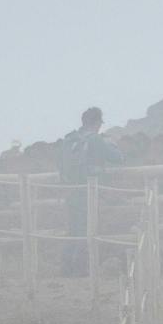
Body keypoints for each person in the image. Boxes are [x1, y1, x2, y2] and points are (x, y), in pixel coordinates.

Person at [59, 107, 123, 275]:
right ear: (96, 123)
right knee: (86, 229)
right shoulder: (95, 140)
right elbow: (118, 158)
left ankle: (66, 269)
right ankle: (80, 269)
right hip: (88, 192)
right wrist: (111, 144)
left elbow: (59, 164)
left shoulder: (69, 140)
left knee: (72, 229)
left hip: (70, 191)